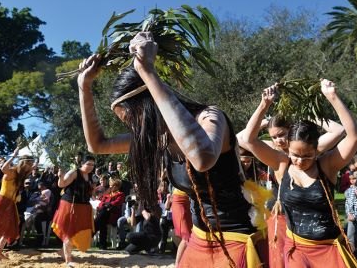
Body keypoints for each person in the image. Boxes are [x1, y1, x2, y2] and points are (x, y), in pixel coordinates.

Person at [77, 32, 268, 267]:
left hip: (237, 241)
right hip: (200, 239)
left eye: (136, 121)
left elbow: (201, 158)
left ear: (152, 105)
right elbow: (97, 144)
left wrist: (148, 71)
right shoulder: (157, 137)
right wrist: (84, 87)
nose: (135, 130)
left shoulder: (209, 117)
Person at [240, 79, 357, 268]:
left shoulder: (327, 165)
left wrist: (332, 96)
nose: (300, 161)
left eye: (307, 156)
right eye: (295, 155)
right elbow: (248, 139)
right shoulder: (281, 164)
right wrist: (264, 104)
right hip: (296, 249)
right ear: (288, 148)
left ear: (316, 150)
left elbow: (353, 135)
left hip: (329, 249)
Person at [52, 155, 95, 267]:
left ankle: (62, 252)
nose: (90, 166)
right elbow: (61, 184)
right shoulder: (74, 173)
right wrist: (60, 177)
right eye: (88, 164)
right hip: (70, 205)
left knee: (77, 232)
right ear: (82, 164)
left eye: (92, 164)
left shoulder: (90, 176)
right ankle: (68, 259)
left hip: (83, 207)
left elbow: (90, 193)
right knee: (69, 232)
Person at [0, 147, 34, 260]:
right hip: (2, 201)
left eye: (30, 165)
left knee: (9, 228)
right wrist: (13, 155)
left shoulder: (20, 175)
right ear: (23, 163)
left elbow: (32, 168)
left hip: (10, 203)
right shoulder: (12, 171)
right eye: (28, 164)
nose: (30, 167)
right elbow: (3, 168)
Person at [94, 177, 125, 250]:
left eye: (112, 186)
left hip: (113, 214)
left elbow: (117, 202)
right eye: (110, 186)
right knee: (103, 218)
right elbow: (101, 203)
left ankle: (93, 230)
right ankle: (103, 245)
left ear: (117, 186)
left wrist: (108, 204)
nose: (110, 187)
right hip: (105, 214)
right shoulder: (107, 194)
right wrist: (104, 205)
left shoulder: (120, 194)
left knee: (103, 215)